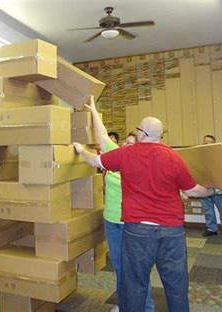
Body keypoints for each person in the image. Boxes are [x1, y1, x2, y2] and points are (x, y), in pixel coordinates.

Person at [73, 116, 215, 312]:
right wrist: (212, 190)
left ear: (142, 133)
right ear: (160, 136)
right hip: (171, 232)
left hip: (138, 231)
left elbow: (94, 160)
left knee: (135, 285)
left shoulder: (127, 154)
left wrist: (80, 149)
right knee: (176, 286)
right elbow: (193, 191)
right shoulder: (174, 157)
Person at [85, 96, 154, 312]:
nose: (126, 145)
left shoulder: (143, 165)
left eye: (132, 144)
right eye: (126, 142)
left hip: (131, 224)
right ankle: (126, 305)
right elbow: (102, 134)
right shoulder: (117, 156)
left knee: (135, 268)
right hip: (111, 221)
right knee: (119, 265)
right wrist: (94, 111)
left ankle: (146, 307)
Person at [199, 135, 222, 238]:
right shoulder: (199, 156)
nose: (206, 143)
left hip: (218, 188)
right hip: (204, 188)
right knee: (208, 210)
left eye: (209, 142)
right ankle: (211, 229)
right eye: (204, 141)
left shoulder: (220, 156)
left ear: (214, 144)